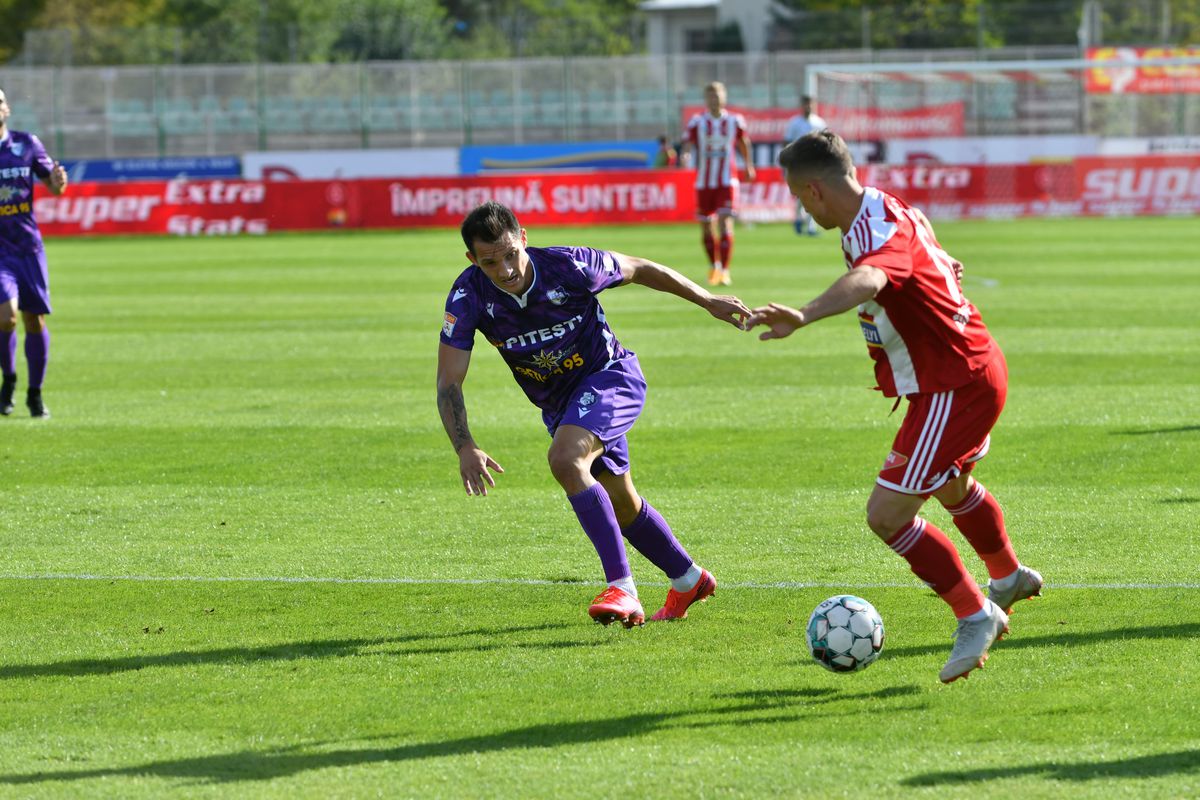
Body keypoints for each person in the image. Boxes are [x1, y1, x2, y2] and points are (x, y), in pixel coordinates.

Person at [747, 130, 1043, 683]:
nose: (799, 207)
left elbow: (871, 277)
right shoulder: (883, 205)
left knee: (886, 514)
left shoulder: (873, 236)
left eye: (796, 196)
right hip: (971, 367)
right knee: (950, 485)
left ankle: (977, 614)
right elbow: (934, 254)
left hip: (953, 384)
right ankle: (1006, 577)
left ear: (813, 191)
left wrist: (804, 316)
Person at [437, 201, 750, 628]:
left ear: (523, 238)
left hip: (611, 377)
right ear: (473, 260)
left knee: (566, 460)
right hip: (562, 406)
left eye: (511, 253)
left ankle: (621, 586)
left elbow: (640, 268)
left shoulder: (570, 265)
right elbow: (449, 381)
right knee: (622, 504)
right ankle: (688, 578)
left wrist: (706, 299)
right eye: (491, 262)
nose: (506, 269)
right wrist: (465, 445)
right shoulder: (468, 295)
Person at [0, 87, 67, 419]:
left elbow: (54, 187)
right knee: (6, 317)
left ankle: (35, 393)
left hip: (28, 247)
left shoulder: (27, 144)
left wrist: (58, 181)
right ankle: (9, 378)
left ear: (6, 109)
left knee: (33, 319)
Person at [681, 81, 755, 287]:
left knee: (724, 221)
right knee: (706, 226)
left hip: (727, 180)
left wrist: (748, 165)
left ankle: (725, 270)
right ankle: (714, 265)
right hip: (704, 181)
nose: (714, 99)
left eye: (718, 96)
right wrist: (685, 155)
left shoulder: (734, 120)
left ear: (724, 98)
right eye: (710, 96)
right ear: (706, 99)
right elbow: (688, 142)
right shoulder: (697, 122)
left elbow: (743, 142)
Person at [782, 95, 827, 236]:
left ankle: (807, 224)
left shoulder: (819, 123)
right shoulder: (794, 123)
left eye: (810, 104)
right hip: (798, 165)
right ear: (802, 105)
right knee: (803, 194)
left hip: (815, 165)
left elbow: (826, 144)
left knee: (814, 194)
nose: (808, 107)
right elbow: (786, 142)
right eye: (805, 104)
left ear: (814, 105)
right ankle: (801, 220)